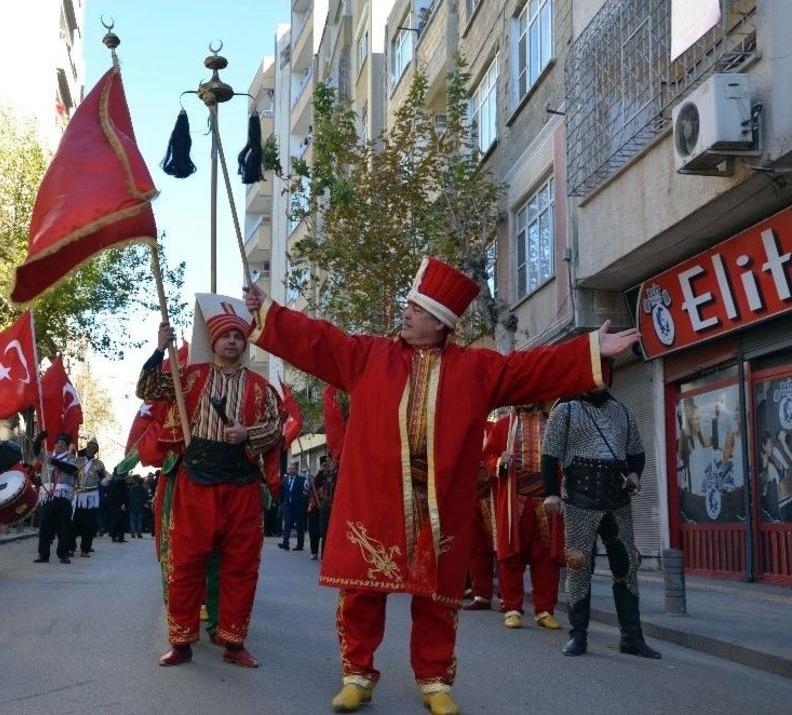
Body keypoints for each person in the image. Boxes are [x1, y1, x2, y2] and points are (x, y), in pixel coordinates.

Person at [245, 257, 638, 714]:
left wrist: (591, 350)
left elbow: (529, 369)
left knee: (436, 596)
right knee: (362, 589)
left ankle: (434, 680)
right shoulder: (369, 355)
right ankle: (357, 674)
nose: (405, 313)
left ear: (439, 322)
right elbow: (318, 340)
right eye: (408, 305)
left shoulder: (475, 369)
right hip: (379, 497)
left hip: (438, 502)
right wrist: (269, 313)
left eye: (415, 307)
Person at [138, 293, 282, 668]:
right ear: (213, 341)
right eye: (225, 336)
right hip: (196, 478)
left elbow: (275, 429)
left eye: (238, 335)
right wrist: (159, 350)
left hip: (241, 482)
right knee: (186, 562)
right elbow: (149, 391)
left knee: (240, 564)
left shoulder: (260, 387)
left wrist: (248, 434)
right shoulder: (190, 377)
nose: (232, 341)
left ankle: (234, 642)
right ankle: (181, 641)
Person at [541, 371, 661, 660]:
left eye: (602, 377)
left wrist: (634, 474)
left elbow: (637, 453)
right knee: (579, 566)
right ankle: (578, 635)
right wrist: (551, 492)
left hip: (617, 500)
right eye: (593, 375)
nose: (597, 382)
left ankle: (632, 636)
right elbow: (549, 455)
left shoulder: (622, 412)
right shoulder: (565, 411)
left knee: (626, 566)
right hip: (579, 499)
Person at [486, 405, 561, 630]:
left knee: (547, 556)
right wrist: (500, 462)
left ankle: (545, 610)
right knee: (510, 555)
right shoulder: (502, 425)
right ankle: (511, 608)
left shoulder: (552, 423)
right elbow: (487, 456)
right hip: (515, 497)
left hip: (545, 498)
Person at [463, 422, 497, 612]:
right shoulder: (461, 427)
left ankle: (507, 597)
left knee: (500, 548)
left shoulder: (495, 428)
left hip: (493, 496)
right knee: (475, 548)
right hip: (470, 497)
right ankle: (481, 594)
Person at [35, 432, 77, 564]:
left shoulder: (71, 458)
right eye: (58, 443)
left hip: (62, 495)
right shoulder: (47, 455)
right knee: (45, 526)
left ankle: (63, 554)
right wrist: (39, 439)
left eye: (63, 443)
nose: (60, 445)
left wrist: (54, 461)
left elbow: (71, 469)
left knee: (63, 527)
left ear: (66, 446)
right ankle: (43, 554)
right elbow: (36, 451)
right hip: (48, 494)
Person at [71, 437, 107, 557]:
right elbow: (70, 474)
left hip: (92, 497)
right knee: (74, 522)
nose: (91, 450)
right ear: (86, 448)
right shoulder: (78, 461)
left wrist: (105, 480)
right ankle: (70, 547)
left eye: (94, 448)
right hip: (78, 496)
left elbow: (106, 477)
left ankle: (85, 549)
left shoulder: (99, 464)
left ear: (96, 450)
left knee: (90, 524)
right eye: (89, 447)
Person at [310, 455, 336, 560]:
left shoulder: (332, 473)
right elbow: (316, 486)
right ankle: (316, 552)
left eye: (328, 463)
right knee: (319, 531)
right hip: (317, 506)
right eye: (324, 464)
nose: (326, 465)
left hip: (328, 506)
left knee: (326, 531)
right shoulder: (322, 474)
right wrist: (320, 472)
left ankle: (326, 555)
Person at [278, 462, 308, 551]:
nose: (291, 470)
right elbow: (282, 491)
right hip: (288, 506)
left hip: (298, 506)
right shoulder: (285, 480)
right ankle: (285, 543)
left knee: (299, 526)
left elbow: (306, 489)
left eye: (293, 469)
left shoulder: (301, 479)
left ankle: (300, 545)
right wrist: (282, 502)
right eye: (290, 469)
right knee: (287, 524)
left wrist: (308, 480)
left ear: (296, 469)